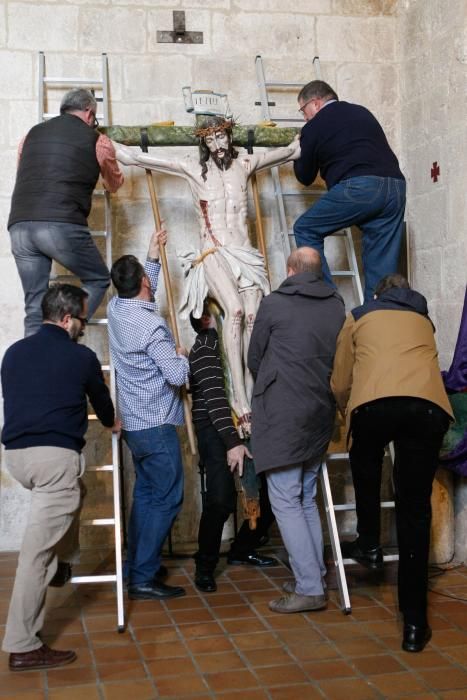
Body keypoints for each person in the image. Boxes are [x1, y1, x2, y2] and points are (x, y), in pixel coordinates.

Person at [113, 118, 300, 430]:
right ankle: (239, 402)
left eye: (221, 137)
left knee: (255, 320)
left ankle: (254, 395)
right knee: (236, 311)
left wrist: (298, 146)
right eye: (211, 140)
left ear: (229, 135)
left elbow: (287, 153)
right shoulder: (194, 170)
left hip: (246, 254)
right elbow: (141, 158)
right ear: (204, 144)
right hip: (213, 251)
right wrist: (118, 149)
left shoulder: (246, 163)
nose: (218, 145)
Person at [331, 273, 453, 652]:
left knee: (365, 459)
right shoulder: (423, 320)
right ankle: (415, 625)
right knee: (414, 510)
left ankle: (368, 540)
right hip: (428, 410)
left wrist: (345, 410)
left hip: (375, 405)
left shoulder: (359, 315)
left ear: (378, 294)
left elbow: (339, 381)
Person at [1, 284, 119, 671]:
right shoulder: (81, 357)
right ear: (67, 319)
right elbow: (102, 404)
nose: (84, 326)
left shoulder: (13, 353)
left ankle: (61, 565)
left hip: (17, 458)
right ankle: (22, 644)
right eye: (82, 319)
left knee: (76, 490)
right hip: (54, 460)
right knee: (34, 556)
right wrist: (112, 421)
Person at [248, 247, 345, 613]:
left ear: (290, 271)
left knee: (286, 499)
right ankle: (314, 575)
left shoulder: (275, 303)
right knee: (305, 497)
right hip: (320, 412)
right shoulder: (336, 304)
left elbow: (254, 356)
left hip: (284, 413)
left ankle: (309, 588)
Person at [108, 229, 190, 601]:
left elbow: (142, 296)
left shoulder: (116, 309)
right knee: (169, 497)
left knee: (145, 497)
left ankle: (135, 567)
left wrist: (152, 256)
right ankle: (142, 575)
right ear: (142, 282)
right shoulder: (153, 326)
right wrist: (183, 355)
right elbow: (175, 376)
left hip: (134, 426)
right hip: (156, 426)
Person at [8, 88, 124, 336]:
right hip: (59, 225)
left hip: (19, 226)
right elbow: (114, 184)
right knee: (98, 279)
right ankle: (62, 340)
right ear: (89, 113)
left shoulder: (30, 135)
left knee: (34, 306)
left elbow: (24, 171)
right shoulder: (98, 140)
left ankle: (35, 366)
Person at [189, 301, 276, 592]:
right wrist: (233, 443)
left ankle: (243, 547)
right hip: (216, 430)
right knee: (220, 499)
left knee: (271, 493)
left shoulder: (235, 344)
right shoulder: (206, 345)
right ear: (205, 319)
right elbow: (215, 402)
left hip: (246, 424)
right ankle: (205, 564)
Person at [293, 80, 406, 302]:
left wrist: (299, 147)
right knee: (380, 265)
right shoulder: (362, 112)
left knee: (305, 228)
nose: (304, 117)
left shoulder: (314, 125)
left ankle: (326, 299)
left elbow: (305, 176)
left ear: (315, 103)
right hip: (395, 188)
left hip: (361, 187)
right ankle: (377, 319)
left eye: (303, 110)